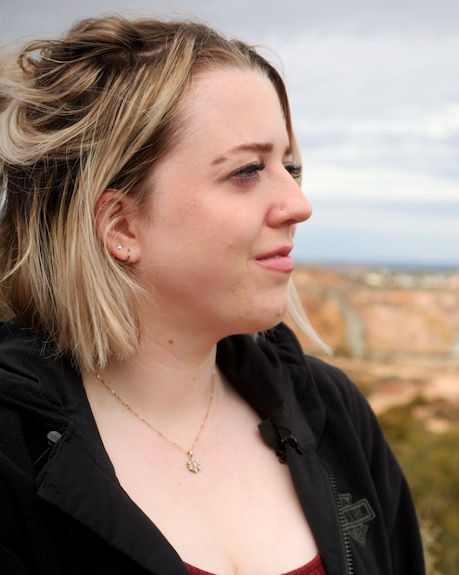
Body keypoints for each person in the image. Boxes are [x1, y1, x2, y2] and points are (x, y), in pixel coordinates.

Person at [0, 15, 425, 575]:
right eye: (248, 170)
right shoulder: (13, 451)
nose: (298, 205)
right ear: (120, 225)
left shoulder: (331, 412)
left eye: (291, 168)